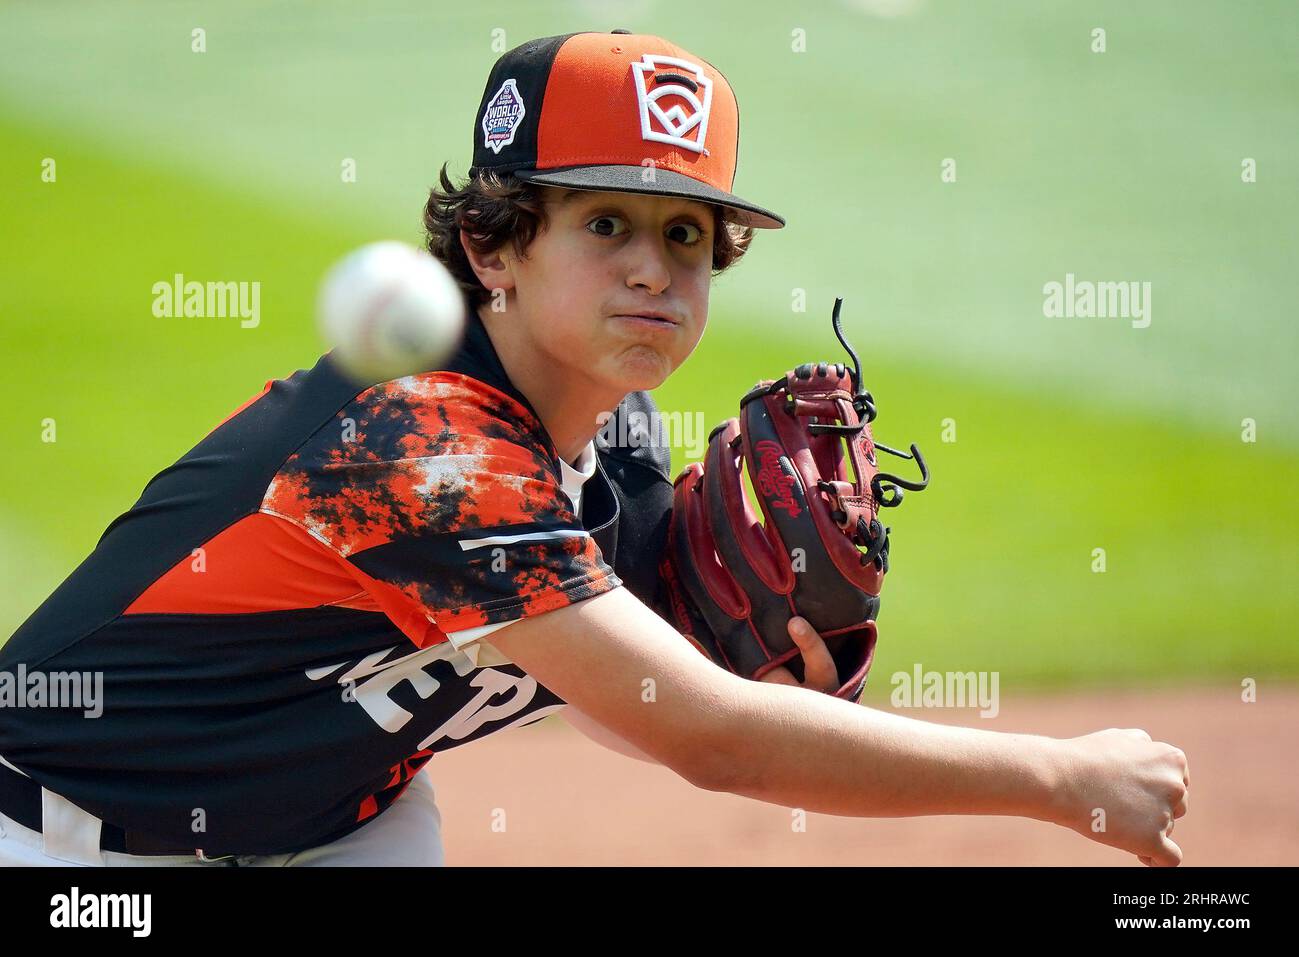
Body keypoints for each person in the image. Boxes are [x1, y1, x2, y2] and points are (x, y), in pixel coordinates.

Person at [0, 30, 1187, 868]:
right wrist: (1060, 783)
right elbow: (710, 742)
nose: (652, 268)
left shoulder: (611, 437)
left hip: (333, 827)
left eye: (687, 234)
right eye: (604, 222)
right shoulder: (421, 446)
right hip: (68, 844)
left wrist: (745, 668)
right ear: (495, 245)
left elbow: (627, 704)